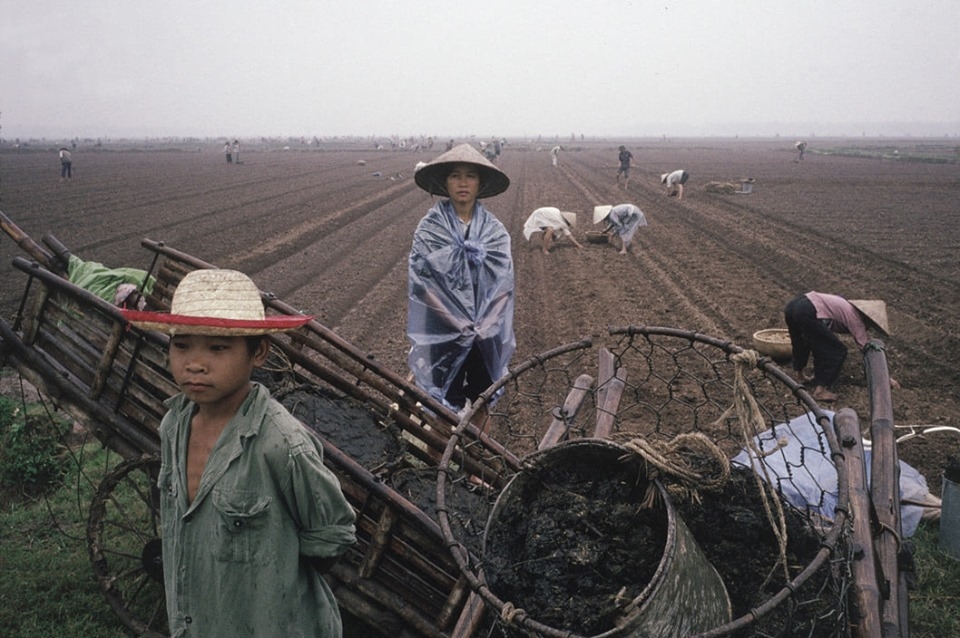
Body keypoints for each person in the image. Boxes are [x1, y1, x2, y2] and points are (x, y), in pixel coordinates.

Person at [121, 269, 357, 638]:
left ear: (258, 352)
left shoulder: (281, 443)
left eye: (218, 348)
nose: (195, 364)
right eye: (181, 345)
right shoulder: (173, 426)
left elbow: (330, 537)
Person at [408, 143, 515, 417]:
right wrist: (453, 321)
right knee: (441, 404)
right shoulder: (430, 228)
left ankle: (477, 457)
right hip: (441, 329)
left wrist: (488, 322)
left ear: (480, 183)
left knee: (482, 400)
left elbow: (504, 285)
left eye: (470, 176)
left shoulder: (494, 231)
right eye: (455, 175)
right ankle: (440, 457)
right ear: (446, 182)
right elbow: (422, 283)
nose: (463, 183)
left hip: (484, 333)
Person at [783, 291, 899, 402]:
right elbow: (865, 348)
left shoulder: (845, 306)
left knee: (803, 341)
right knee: (836, 351)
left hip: (794, 305)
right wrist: (885, 377)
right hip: (807, 309)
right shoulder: (856, 319)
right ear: (868, 319)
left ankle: (800, 376)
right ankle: (821, 390)